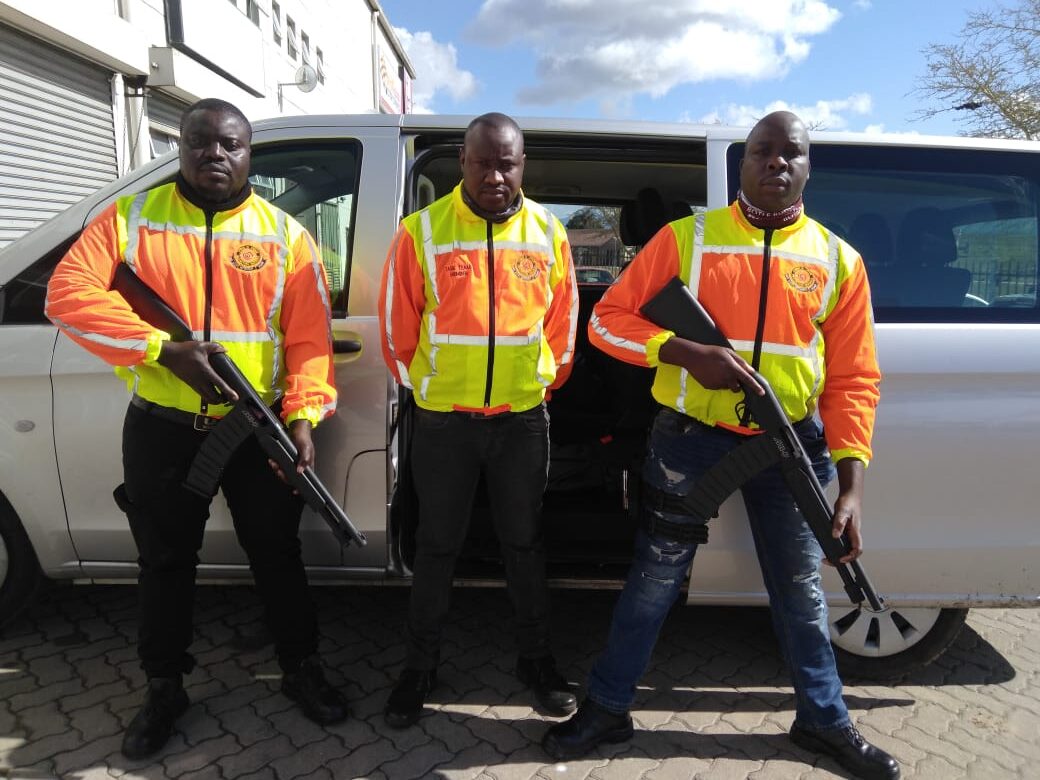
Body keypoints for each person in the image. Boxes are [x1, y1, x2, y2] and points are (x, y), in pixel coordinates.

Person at [542, 111, 901, 780]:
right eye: (762, 150)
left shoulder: (837, 260)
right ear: (743, 162)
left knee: (801, 590)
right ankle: (608, 707)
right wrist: (682, 351)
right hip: (690, 441)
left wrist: (852, 485)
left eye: (791, 152)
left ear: (808, 167)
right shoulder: (687, 238)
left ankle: (824, 721)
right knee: (653, 582)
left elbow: (855, 380)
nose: (776, 162)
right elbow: (607, 323)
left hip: (790, 442)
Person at [45, 98, 349, 760]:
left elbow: (310, 343)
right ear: (179, 148)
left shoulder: (285, 236)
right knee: (163, 560)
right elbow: (66, 294)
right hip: (163, 427)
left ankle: (301, 666)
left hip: (255, 426)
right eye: (201, 142)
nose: (216, 153)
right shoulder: (130, 219)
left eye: (231, 144)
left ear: (249, 154)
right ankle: (163, 688)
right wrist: (162, 350)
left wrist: (303, 420)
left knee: (277, 553)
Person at [378, 112, 580, 727]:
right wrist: (428, 388)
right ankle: (419, 667)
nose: (495, 175)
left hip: (521, 421)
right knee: (436, 546)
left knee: (524, 543)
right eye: (483, 162)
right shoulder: (422, 231)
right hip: (445, 423)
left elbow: (563, 324)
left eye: (506, 163)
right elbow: (396, 328)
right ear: (462, 162)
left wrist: (542, 383)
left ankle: (537, 661)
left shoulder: (548, 231)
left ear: (522, 166)